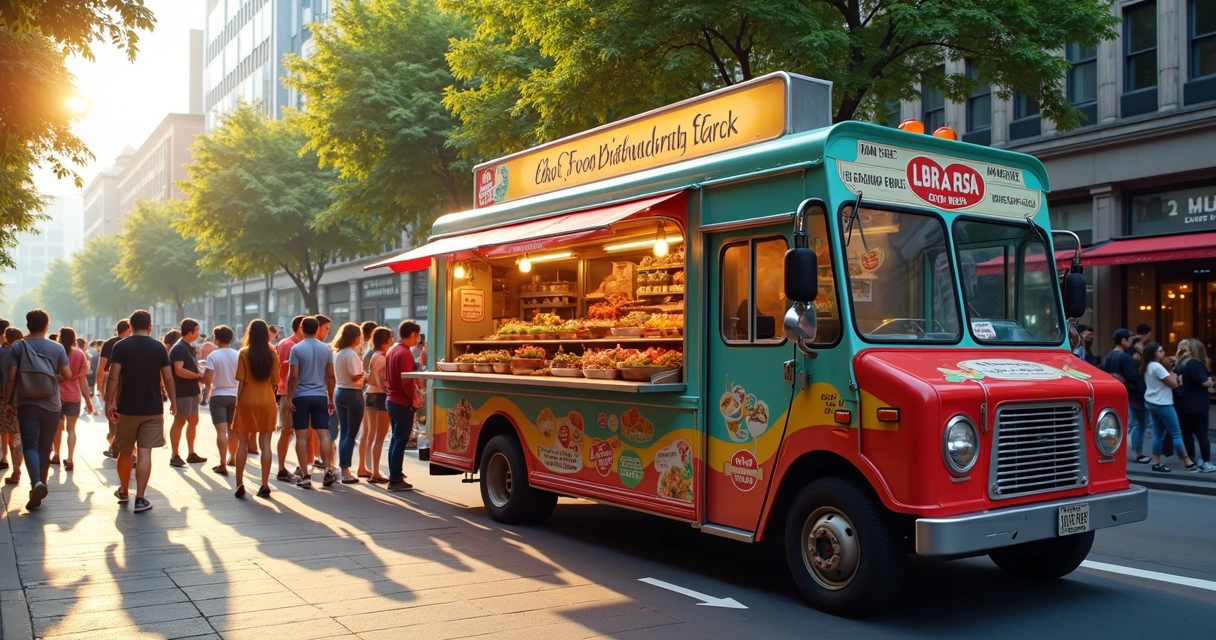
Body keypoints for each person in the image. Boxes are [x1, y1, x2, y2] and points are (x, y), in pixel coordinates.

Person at [105, 310, 175, 513]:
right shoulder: (159, 347)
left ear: (131, 326)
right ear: (150, 326)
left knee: (125, 451)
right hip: (152, 408)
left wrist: (109, 402)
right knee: (145, 453)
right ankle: (141, 498)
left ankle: (125, 490)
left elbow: (113, 377)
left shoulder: (120, 346)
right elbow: (168, 378)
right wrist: (173, 401)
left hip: (127, 408)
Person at [4, 309, 72, 511]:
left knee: (30, 445)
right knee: (44, 447)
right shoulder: (57, 347)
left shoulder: (18, 347)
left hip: (26, 403)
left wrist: (8, 401)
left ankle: (36, 484)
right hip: (51, 405)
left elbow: (11, 377)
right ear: (46, 325)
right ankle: (39, 487)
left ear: (27, 326)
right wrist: (53, 380)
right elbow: (67, 374)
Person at [231, 320, 280, 498]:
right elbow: (276, 380)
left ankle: (239, 483)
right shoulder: (272, 354)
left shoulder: (243, 352)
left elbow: (241, 381)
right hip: (267, 401)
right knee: (265, 444)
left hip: (247, 401)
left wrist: (238, 402)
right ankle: (265, 484)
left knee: (242, 444)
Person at [286, 316, 336, 489]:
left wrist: (289, 396)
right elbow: (330, 376)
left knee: (300, 435)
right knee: (323, 433)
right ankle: (328, 469)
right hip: (320, 395)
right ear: (316, 329)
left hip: (300, 395)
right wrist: (330, 397)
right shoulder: (326, 349)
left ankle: (306, 475)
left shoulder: (296, 349)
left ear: (301, 328)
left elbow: (293, 375)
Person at [1141, 341, 1197, 473]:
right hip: (1163, 403)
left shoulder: (1147, 366)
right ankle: (1187, 462)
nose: (1163, 353)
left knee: (1158, 434)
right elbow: (1174, 384)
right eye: (1160, 351)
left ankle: (1156, 463)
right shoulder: (1157, 367)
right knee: (1176, 433)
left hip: (1151, 401)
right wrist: (1173, 373)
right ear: (1154, 353)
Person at [1101, 329, 1151, 464]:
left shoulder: (1109, 356)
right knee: (1139, 424)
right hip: (1132, 396)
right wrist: (1141, 391)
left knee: (1120, 424)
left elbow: (1103, 373)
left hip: (1114, 396)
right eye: (1130, 339)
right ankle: (1139, 453)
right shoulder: (1125, 357)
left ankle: (1114, 451)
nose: (1131, 342)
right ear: (1123, 341)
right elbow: (1133, 378)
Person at [384, 321, 423, 492]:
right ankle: (395, 479)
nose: (418, 340)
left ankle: (395, 473)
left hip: (392, 399)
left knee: (395, 439)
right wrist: (414, 398)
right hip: (401, 402)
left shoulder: (393, 349)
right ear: (414, 334)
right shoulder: (405, 353)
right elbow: (406, 381)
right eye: (418, 336)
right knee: (400, 440)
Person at [52, 328, 92, 471]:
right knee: (71, 430)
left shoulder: (55, 351)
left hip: (56, 395)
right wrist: (88, 400)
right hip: (73, 395)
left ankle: (56, 455)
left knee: (57, 429)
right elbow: (83, 380)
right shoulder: (80, 354)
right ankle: (70, 458)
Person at [168, 319, 206, 468]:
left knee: (193, 420)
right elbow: (178, 369)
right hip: (182, 391)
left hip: (191, 390)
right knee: (180, 421)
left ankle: (191, 453)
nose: (198, 333)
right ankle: (175, 455)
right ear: (190, 331)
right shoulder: (179, 348)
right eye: (196, 330)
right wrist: (197, 376)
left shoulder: (188, 347)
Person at [202, 326, 239, 475]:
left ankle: (223, 463)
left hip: (218, 396)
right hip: (235, 395)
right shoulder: (238, 354)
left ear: (217, 339)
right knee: (233, 430)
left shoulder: (213, 356)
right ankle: (233, 457)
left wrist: (203, 383)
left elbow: (207, 379)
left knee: (221, 432)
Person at [1174, 338, 1215, 472]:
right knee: (1202, 434)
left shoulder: (1180, 363)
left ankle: (1191, 460)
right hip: (1197, 404)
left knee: (1187, 433)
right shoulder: (1195, 364)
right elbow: (1204, 382)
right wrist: (1211, 381)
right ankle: (1206, 462)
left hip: (1182, 403)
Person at [331, 323, 365, 484]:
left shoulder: (338, 353)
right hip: (353, 393)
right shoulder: (351, 354)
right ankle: (345, 470)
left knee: (344, 431)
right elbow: (354, 376)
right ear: (356, 337)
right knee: (351, 433)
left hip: (340, 392)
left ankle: (342, 467)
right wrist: (365, 374)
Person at [274, 315, 305, 481]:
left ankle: (299, 467)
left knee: (295, 431)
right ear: (301, 327)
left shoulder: (294, 344)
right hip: (288, 392)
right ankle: (281, 468)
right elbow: (284, 370)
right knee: (287, 431)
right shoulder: (289, 344)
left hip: (295, 392)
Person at [97, 319, 132, 458]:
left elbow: (101, 368)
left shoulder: (108, 343)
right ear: (129, 329)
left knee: (113, 411)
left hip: (110, 379)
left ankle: (113, 441)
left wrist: (101, 388)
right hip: (125, 381)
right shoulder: (130, 343)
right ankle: (116, 444)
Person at [364, 327, 392, 484]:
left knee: (372, 435)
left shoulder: (373, 355)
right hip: (381, 395)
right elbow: (385, 381)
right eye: (390, 337)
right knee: (380, 437)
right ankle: (375, 472)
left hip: (370, 394)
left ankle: (371, 469)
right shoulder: (382, 358)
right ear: (386, 340)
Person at [0, 325, 22, 486]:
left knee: (8, 430)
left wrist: (6, 401)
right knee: (18, 434)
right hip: (29, 398)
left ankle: (10, 462)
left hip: (9, 397)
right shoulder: (26, 350)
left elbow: (7, 378)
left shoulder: (6, 352)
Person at [357, 321, 378, 479]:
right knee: (370, 432)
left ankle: (364, 466)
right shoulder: (370, 352)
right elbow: (366, 374)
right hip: (368, 392)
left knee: (366, 432)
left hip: (362, 391)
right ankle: (367, 466)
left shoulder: (366, 351)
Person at [199, 335, 216, 406]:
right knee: (209, 383)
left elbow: (200, 355)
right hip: (210, 364)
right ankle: (207, 398)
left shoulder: (202, 346)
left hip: (203, 364)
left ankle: (200, 396)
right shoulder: (213, 347)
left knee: (202, 381)